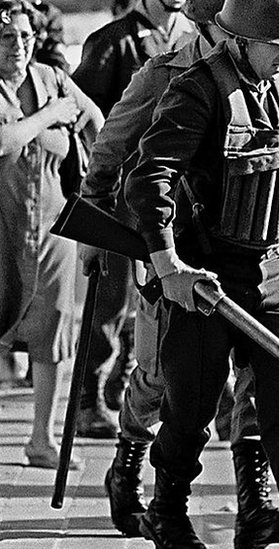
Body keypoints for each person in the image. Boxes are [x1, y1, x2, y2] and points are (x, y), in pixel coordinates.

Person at [123, 0, 279, 546]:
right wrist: (167, 263)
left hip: (270, 273)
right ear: (241, 40)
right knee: (190, 409)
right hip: (207, 282)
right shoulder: (196, 88)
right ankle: (166, 514)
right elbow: (150, 177)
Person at [78, 0, 279, 544]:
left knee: (252, 378)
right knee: (157, 376)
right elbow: (112, 149)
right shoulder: (166, 72)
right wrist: (92, 227)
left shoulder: (268, 71)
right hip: (171, 250)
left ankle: (255, 507)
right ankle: (127, 465)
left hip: (247, 256)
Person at [69, 0, 196, 438]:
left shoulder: (197, 36)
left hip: (173, 196)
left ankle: (128, 394)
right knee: (109, 302)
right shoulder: (112, 42)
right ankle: (88, 398)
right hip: (123, 196)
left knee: (160, 304)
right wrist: (95, 197)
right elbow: (83, 116)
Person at [0, 0, 103, 468]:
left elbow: (97, 119)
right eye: (7, 38)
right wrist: (47, 120)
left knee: (54, 331)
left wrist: (97, 179)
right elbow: (4, 141)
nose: (18, 46)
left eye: (24, 37)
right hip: (3, 227)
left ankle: (41, 437)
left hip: (54, 225)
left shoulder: (52, 78)